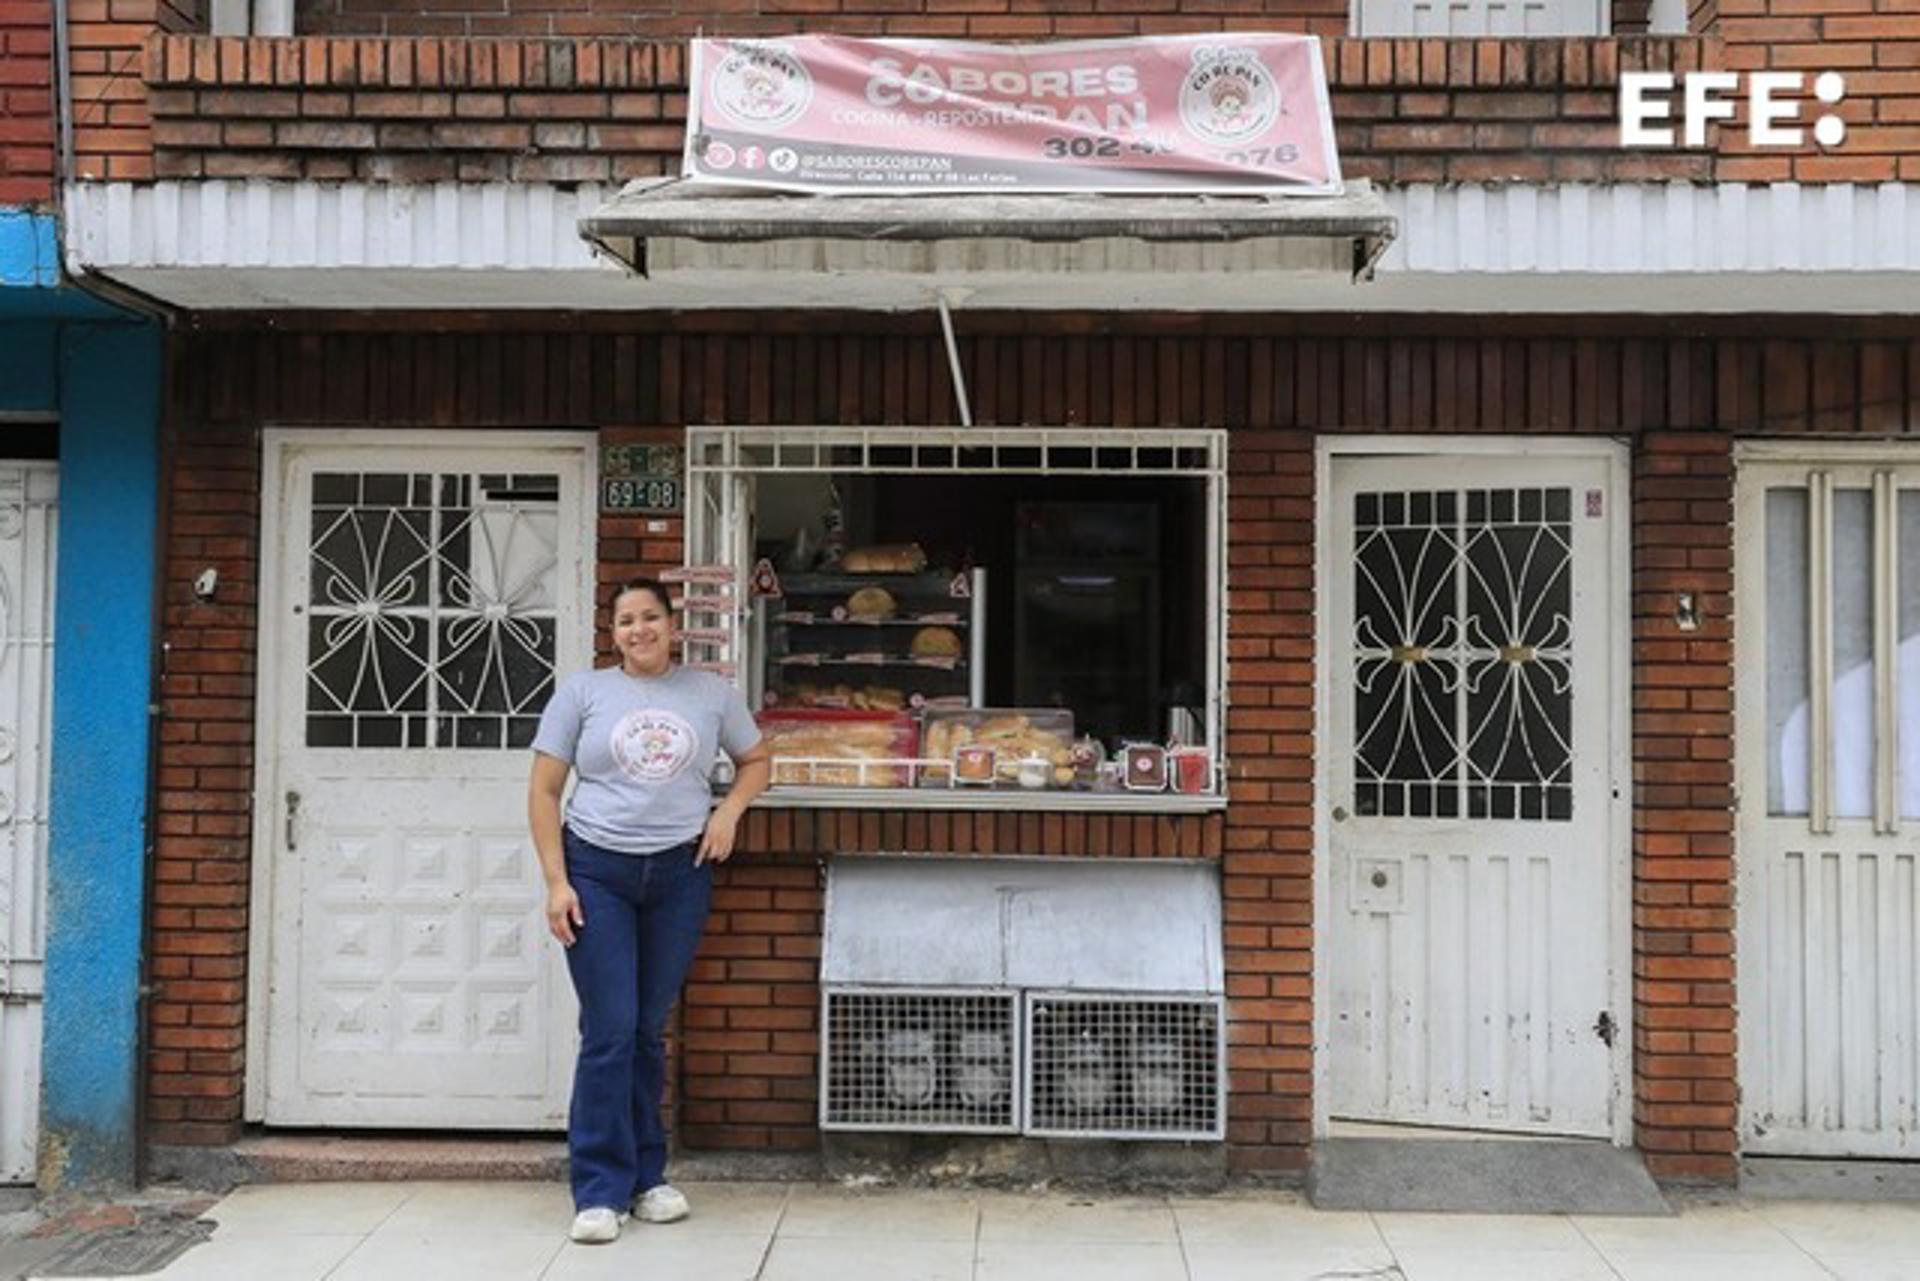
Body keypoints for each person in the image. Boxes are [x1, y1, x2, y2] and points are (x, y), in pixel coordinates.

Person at [529, 576, 770, 1244]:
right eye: (626, 620)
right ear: (614, 633)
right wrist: (557, 881)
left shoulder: (709, 693)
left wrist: (729, 809)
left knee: (645, 1029)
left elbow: (756, 759)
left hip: (678, 873)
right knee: (610, 1026)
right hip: (596, 869)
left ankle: (647, 1176)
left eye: (650, 617)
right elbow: (545, 791)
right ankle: (599, 1190)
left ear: (672, 623)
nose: (640, 630)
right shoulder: (583, 693)